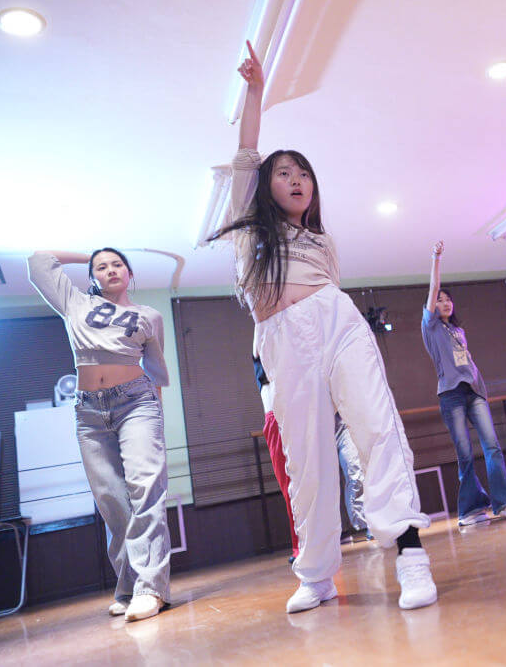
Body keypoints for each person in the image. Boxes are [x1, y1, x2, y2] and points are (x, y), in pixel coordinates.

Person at [209, 42, 435, 612]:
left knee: (377, 427)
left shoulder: (323, 241)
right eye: (284, 173)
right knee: (305, 458)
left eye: (304, 173)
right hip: (283, 340)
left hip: (338, 323)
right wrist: (255, 92)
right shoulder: (248, 229)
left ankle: (410, 554)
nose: (296, 180)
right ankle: (315, 574)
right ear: (266, 187)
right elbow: (246, 154)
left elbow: (328, 289)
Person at [27, 248, 170, 621]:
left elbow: (156, 371)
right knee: (112, 501)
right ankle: (129, 588)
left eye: (117, 264)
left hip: (137, 404)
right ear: (92, 277)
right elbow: (39, 261)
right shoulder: (75, 302)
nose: (110, 270)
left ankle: (151, 590)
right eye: (101, 267)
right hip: (89, 412)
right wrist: (90, 251)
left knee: (145, 490)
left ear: (129, 272)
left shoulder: (149, 316)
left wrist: (157, 421)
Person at [422, 241, 506, 526]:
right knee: (465, 453)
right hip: (451, 396)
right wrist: (436, 258)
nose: (445, 302)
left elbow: (467, 362)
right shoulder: (431, 327)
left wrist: (481, 388)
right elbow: (433, 287)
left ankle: (504, 503)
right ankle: (470, 510)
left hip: (474, 392)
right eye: (441, 300)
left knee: (492, 446)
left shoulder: (458, 330)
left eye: (449, 299)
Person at [252, 358, 369, 564]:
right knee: (293, 487)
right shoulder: (266, 354)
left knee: (330, 477)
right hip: (282, 415)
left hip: (311, 413)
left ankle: (332, 537)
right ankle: (304, 544)